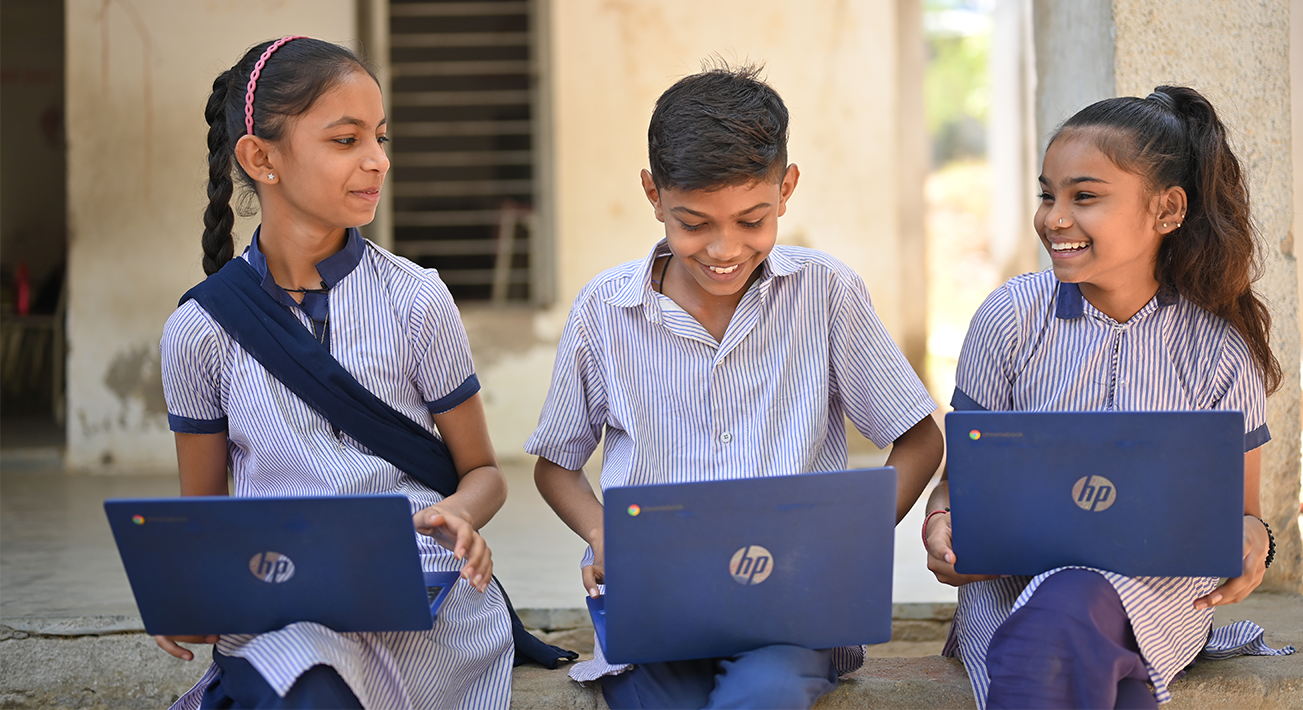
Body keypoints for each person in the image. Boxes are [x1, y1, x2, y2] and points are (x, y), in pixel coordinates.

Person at [525, 63, 945, 710]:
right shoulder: (604, 310)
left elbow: (917, 437)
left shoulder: (826, 292)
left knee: (765, 693)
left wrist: (847, 541)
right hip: (660, 609)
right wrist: (605, 532)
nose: (725, 247)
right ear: (653, 194)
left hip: (795, 613)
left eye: (751, 219)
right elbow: (557, 466)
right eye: (694, 222)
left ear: (787, 188)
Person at [156, 37, 513, 710]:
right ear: (261, 158)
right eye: (346, 140)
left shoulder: (416, 298)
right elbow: (200, 518)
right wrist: (186, 596)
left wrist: (459, 515)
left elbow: (484, 472)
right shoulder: (199, 331)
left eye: (379, 136)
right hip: (284, 602)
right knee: (312, 682)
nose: (378, 160)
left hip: (425, 595)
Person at [923, 85, 1294, 710]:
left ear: (1167, 210)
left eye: (1084, 196)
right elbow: (960, 484)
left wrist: (1255, 542)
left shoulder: (1217, 350)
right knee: (1066, 641)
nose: (1053, 217)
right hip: (1011, 589)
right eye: (1048, 194)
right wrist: (942, 524)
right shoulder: (1010, 319)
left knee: (1061, 627)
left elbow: (1243, 513)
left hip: (1156, 596)